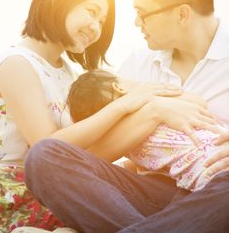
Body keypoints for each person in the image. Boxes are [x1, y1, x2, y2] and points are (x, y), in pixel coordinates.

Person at [5, 0, 229, 233]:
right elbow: (92, 153)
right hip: (152, 198)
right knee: (44, 157)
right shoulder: (137, 67)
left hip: (215, 195)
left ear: (182, 14)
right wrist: (153, 112)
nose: (136, 22)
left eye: (143, 12)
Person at [0, 0, 174, 233]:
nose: (96, 27)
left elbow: (87, 150)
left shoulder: (69, 73)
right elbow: (48, 148)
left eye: (102, 21)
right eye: (92, 12)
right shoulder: (17, 63)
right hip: (19, 197)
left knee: (164, 189)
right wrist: (122, 106)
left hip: (59, 189)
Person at [66, 69, 228, 192]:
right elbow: (199, 102)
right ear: (119, 87)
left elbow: (150, 173)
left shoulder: (127, 145)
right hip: (218, 153)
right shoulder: (159, 97)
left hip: (203, 178)